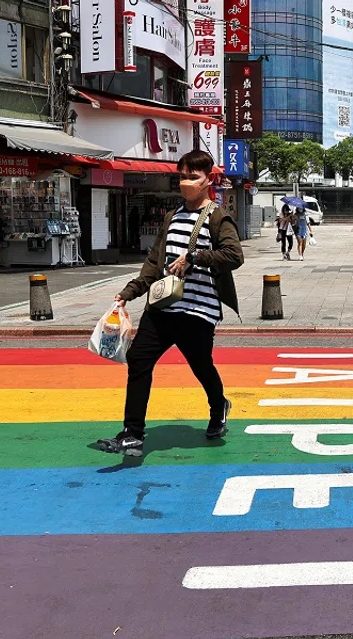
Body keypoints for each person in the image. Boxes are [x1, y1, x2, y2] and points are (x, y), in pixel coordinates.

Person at [97, 150, 244, 457]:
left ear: (208, 180)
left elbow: (234, 256)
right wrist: (130, 291)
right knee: (138, 360)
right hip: (163, 307)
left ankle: (219, 408)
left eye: (193, 177)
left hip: (197, 311)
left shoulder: (217, 217)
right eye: (182, 176)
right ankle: (132, 434)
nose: (186, 182)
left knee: (202, 367)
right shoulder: (172, 217)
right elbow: (155, 263)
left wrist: (195, 257)